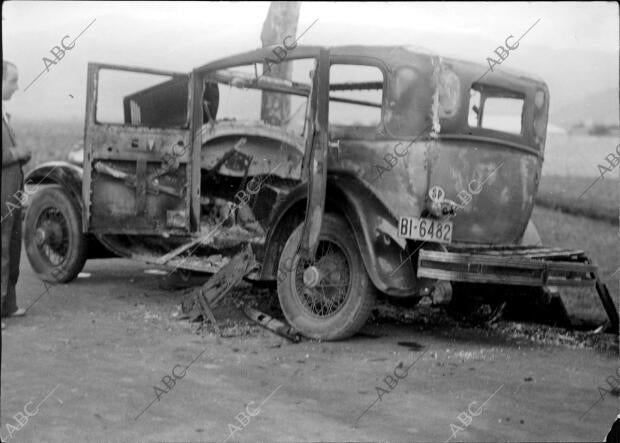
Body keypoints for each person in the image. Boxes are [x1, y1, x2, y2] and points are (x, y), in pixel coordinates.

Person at [2, 60, 31, 330]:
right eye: (12, 81)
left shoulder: (4, 116)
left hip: (10, 195)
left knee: (11, 247)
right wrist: (16, 154)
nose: (17, 87)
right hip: (2, 196)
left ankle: (8, 304)